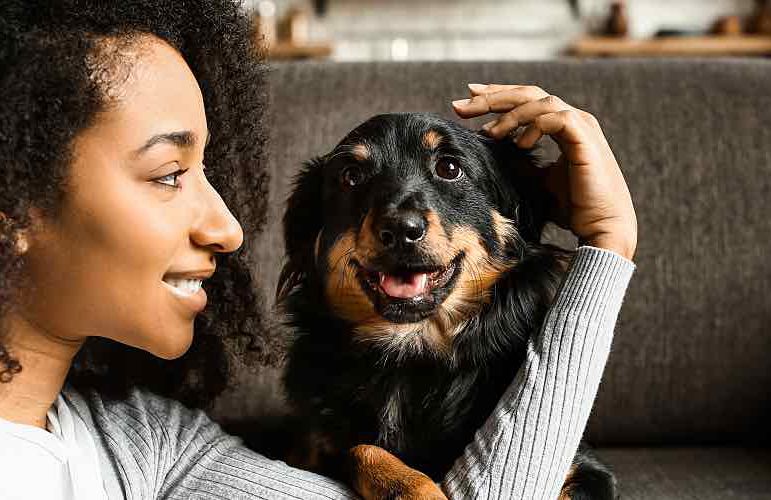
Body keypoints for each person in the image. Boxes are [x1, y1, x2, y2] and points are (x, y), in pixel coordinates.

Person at [0, 1, 636, 499]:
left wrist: (606, 249)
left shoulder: (149, 445)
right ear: (15, 203)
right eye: (169, 174)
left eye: (208, 172)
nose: (230, 229)